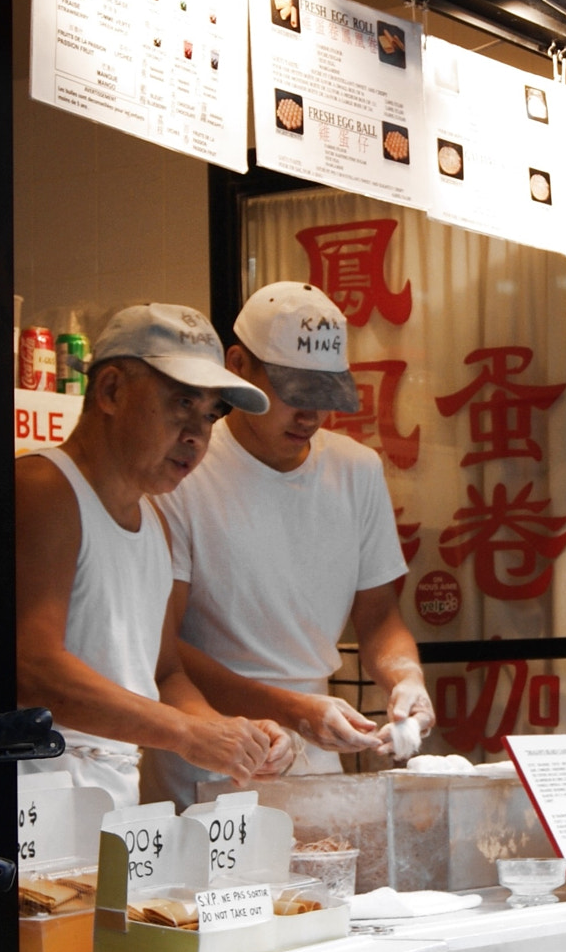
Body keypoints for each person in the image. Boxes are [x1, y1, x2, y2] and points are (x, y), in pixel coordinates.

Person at [148, 282, 434, 807]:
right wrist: (291, 708)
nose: (310, 415)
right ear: (237, 365)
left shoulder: (356, 470)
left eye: (323, 396)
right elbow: (164, 651)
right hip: (205, 746)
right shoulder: (185, 471)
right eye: (292, 393)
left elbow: (379, 618)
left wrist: (405, 677)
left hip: (316, 752)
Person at [16, 304, 294, 807]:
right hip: (34, 798)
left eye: (210, 415)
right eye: (181, 403)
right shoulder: (45, 488)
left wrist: (233, 736)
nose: (197, 435)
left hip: (113, 802)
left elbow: (165, 674)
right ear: (111, 391)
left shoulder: (156, 524)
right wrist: (186, 735)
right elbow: (34, 669)